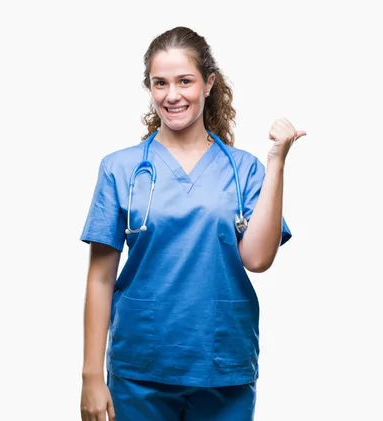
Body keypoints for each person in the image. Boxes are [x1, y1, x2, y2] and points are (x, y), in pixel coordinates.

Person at [79, 26, 306, 421]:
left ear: (208, 84)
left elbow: (257, 259)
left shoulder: (244, 170)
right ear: (149, 88)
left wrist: (276, 162)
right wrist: (91, 377)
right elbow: (100, 278)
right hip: (140, 370)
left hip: (222, 366)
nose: (172, 95)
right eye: (159, 83)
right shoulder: (120, 168)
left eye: (185, 81)